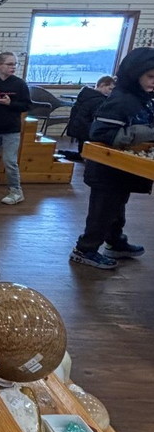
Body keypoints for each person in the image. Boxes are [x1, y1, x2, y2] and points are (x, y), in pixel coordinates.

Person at [70, 47, 154, 270]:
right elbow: (100, 133)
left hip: (124, 168)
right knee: (102, 212)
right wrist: (146, 133)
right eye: (150, 76)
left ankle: (115, 241)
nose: (153, 82)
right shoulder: (121, 100)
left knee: (117, 210)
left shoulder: (143, 98)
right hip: (106, 169)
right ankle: (85, 249)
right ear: (135, 74)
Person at [0, 51, 32, 205]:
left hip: (11, 129)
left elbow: (27, 105)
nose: (13, 67)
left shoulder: (20, 84)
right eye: (9, 64)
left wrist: (10, 103)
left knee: (10, 162)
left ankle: (16, 191)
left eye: (15, 64)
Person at [66, 75, 115, 157]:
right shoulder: (100, 100)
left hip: (77, 127)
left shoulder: (85, 95)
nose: (111, 92)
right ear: (102, 85)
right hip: (88, 130)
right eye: (110, 89)